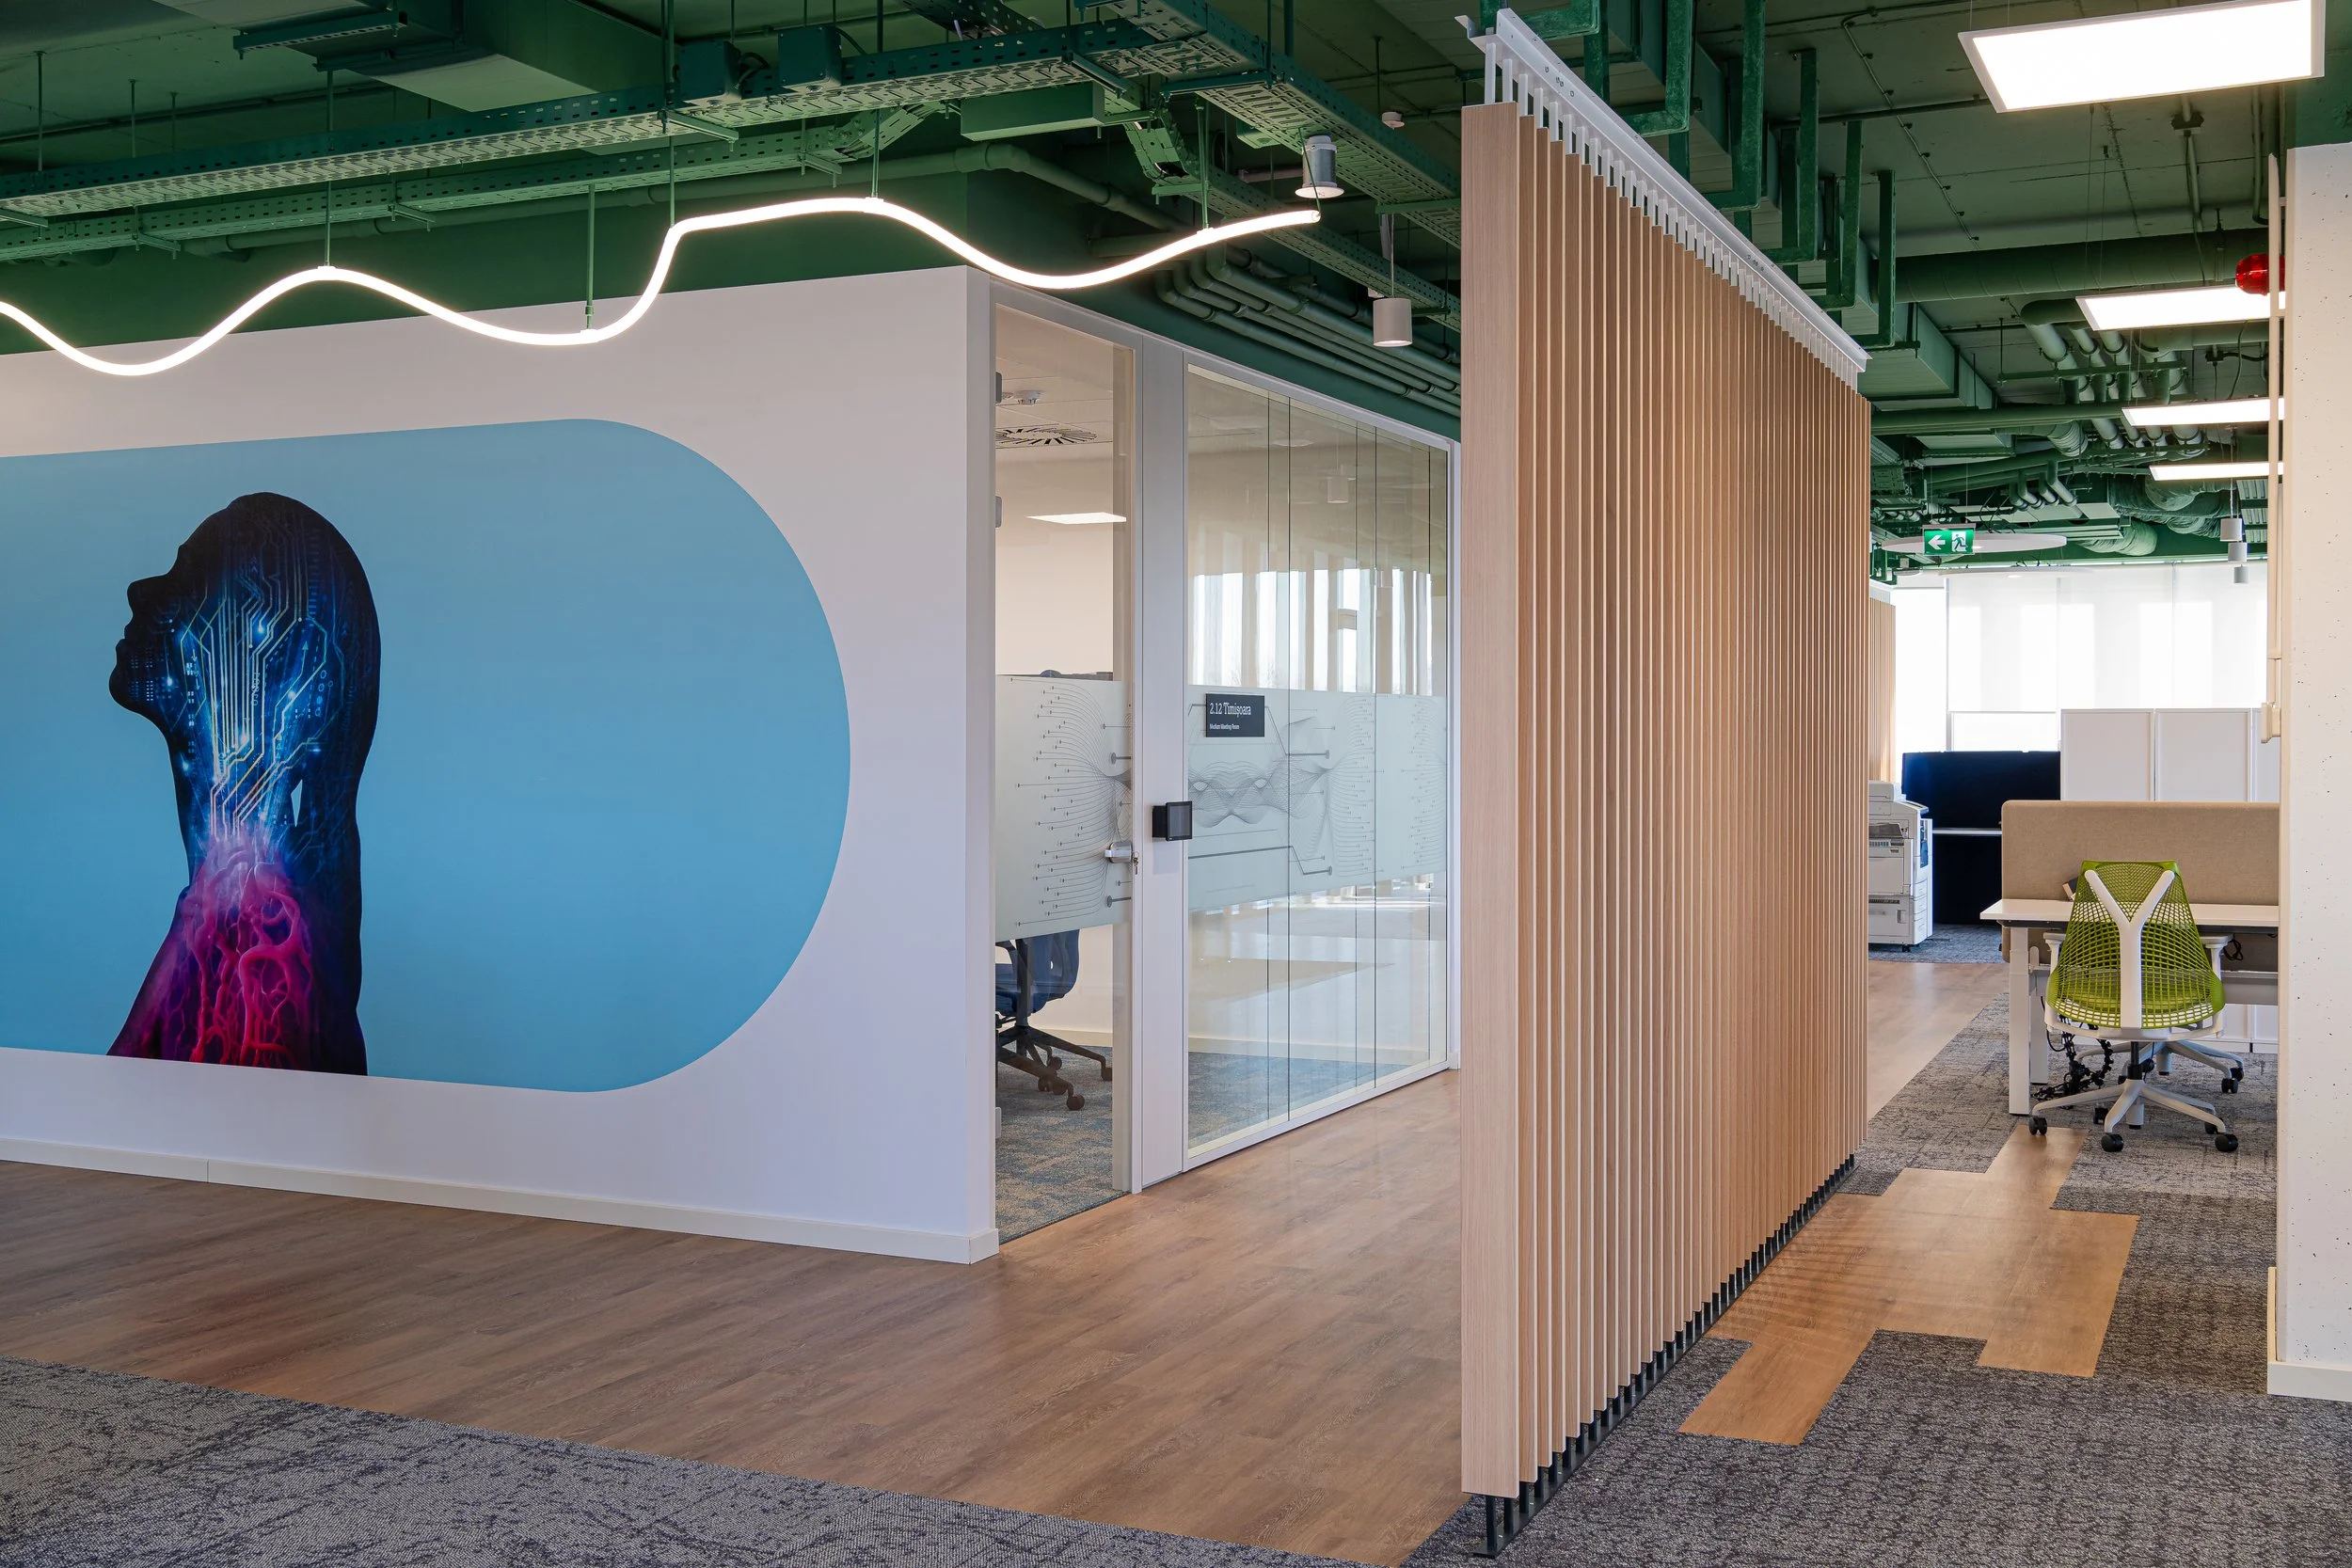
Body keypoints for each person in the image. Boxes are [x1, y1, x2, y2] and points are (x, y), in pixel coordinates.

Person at [108, 492, 380, 1073]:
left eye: (188, 577)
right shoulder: (231, 927)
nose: (141, 590)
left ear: (286, 664)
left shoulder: (261, 961)